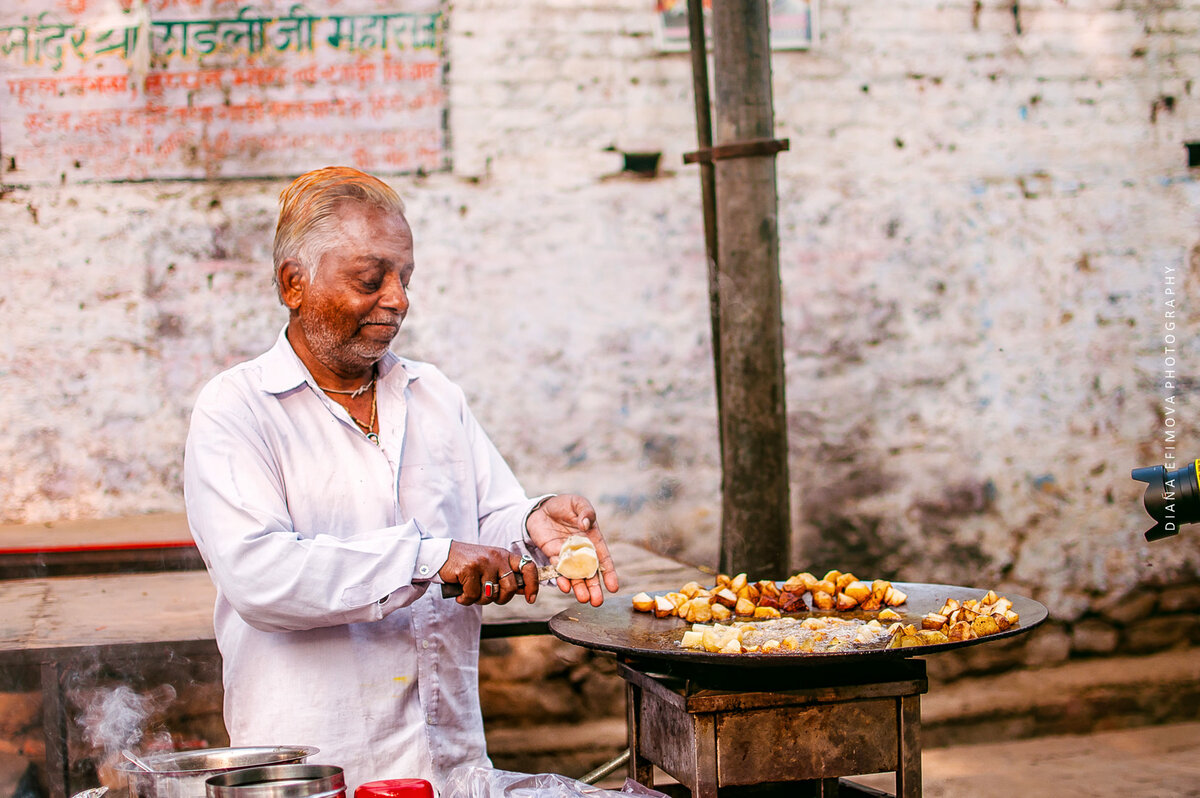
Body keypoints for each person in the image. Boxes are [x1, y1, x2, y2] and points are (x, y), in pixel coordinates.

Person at [183, 166, 620, 792]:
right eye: (371, 278)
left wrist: (531, 520)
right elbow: (259, 576)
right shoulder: (239, 408)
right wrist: (426, 560)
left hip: (445, 761)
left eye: (405, 277)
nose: (397, 298)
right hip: (316, 768)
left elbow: (485, 517)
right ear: (293, 284)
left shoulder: (432, 393)